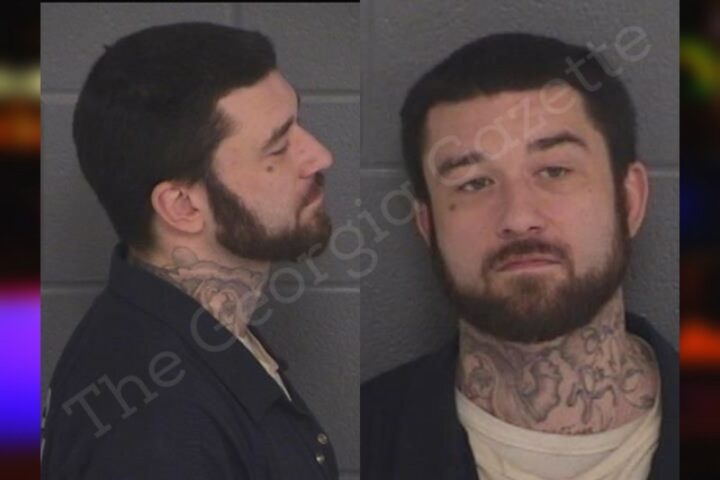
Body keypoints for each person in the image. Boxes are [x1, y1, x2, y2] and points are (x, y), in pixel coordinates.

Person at [361, 33, 678, 480]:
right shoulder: (359, 440)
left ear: (630, 201)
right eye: (474, 183)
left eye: (555, 171)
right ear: (428, 226)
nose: (518, 217)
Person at [42, 22, 339, 479]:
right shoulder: (162, 432)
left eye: (299, 122)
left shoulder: (197, 337)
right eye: (279, 146)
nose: (319, 155)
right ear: (182, 206)